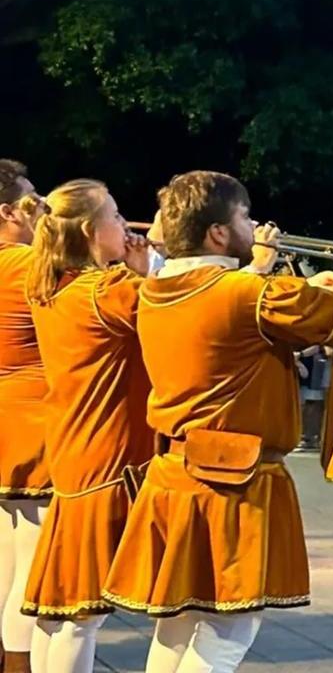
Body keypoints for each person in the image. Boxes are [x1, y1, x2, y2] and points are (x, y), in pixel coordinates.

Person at [100, 171, 333, 672]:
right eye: (245, 216)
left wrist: (304, 286)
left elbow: (233, 334)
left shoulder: (154, 290)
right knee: (228, 628)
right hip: (236, 482)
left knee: (176, 623)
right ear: (217, 233)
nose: (256, 226)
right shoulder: (250, 293)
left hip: (177, 473)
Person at [22, 179, 155, 673]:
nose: (126, 225)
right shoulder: (103, 290)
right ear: (88, 229)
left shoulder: (55, 287)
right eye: (116, 216)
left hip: (76, 450)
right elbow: (177, 312)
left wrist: (134, 269)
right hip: (108, 458)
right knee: (82, 613)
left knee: (59, 613)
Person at [0, 160, 50, 672]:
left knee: (7, 564)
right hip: (32, 420)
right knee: (31, 570)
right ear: (7, 212)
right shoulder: (24, 264)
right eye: (33, 202)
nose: (43, 211)